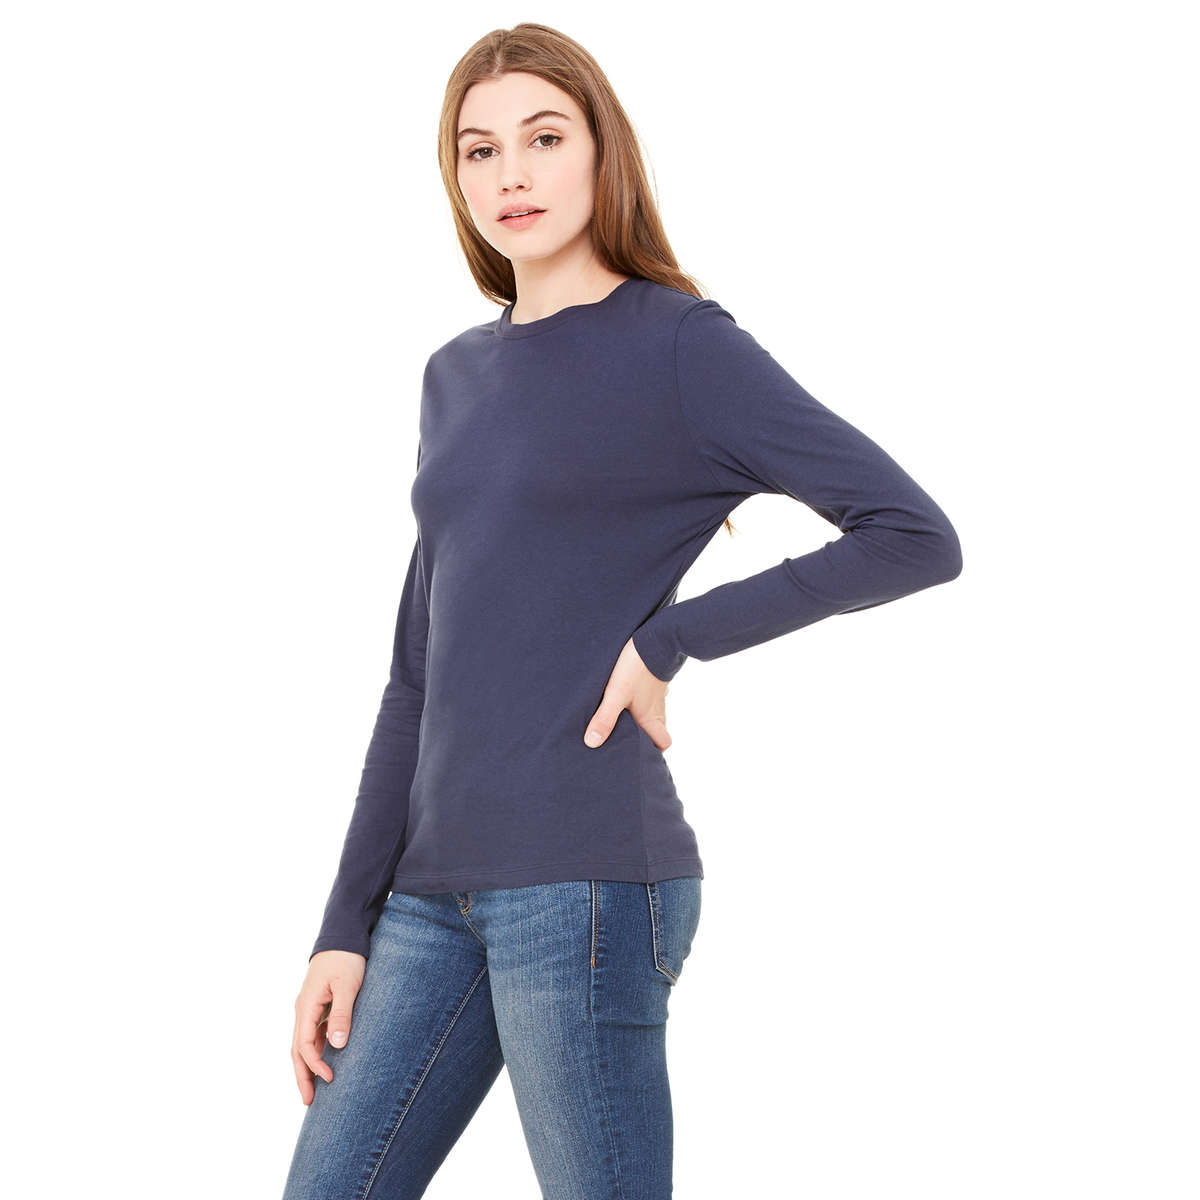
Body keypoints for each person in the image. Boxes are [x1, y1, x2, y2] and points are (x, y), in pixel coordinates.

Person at [282, 22, 962, 1200]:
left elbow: (912, 534)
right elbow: (417, 675)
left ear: (603, 150)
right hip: (429, 897)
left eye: (544, 138)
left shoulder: (681, 348)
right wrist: (345, 922)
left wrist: (672, 639)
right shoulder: (453, 375)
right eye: (480, 150)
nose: (512, 174)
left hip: (584, 885)